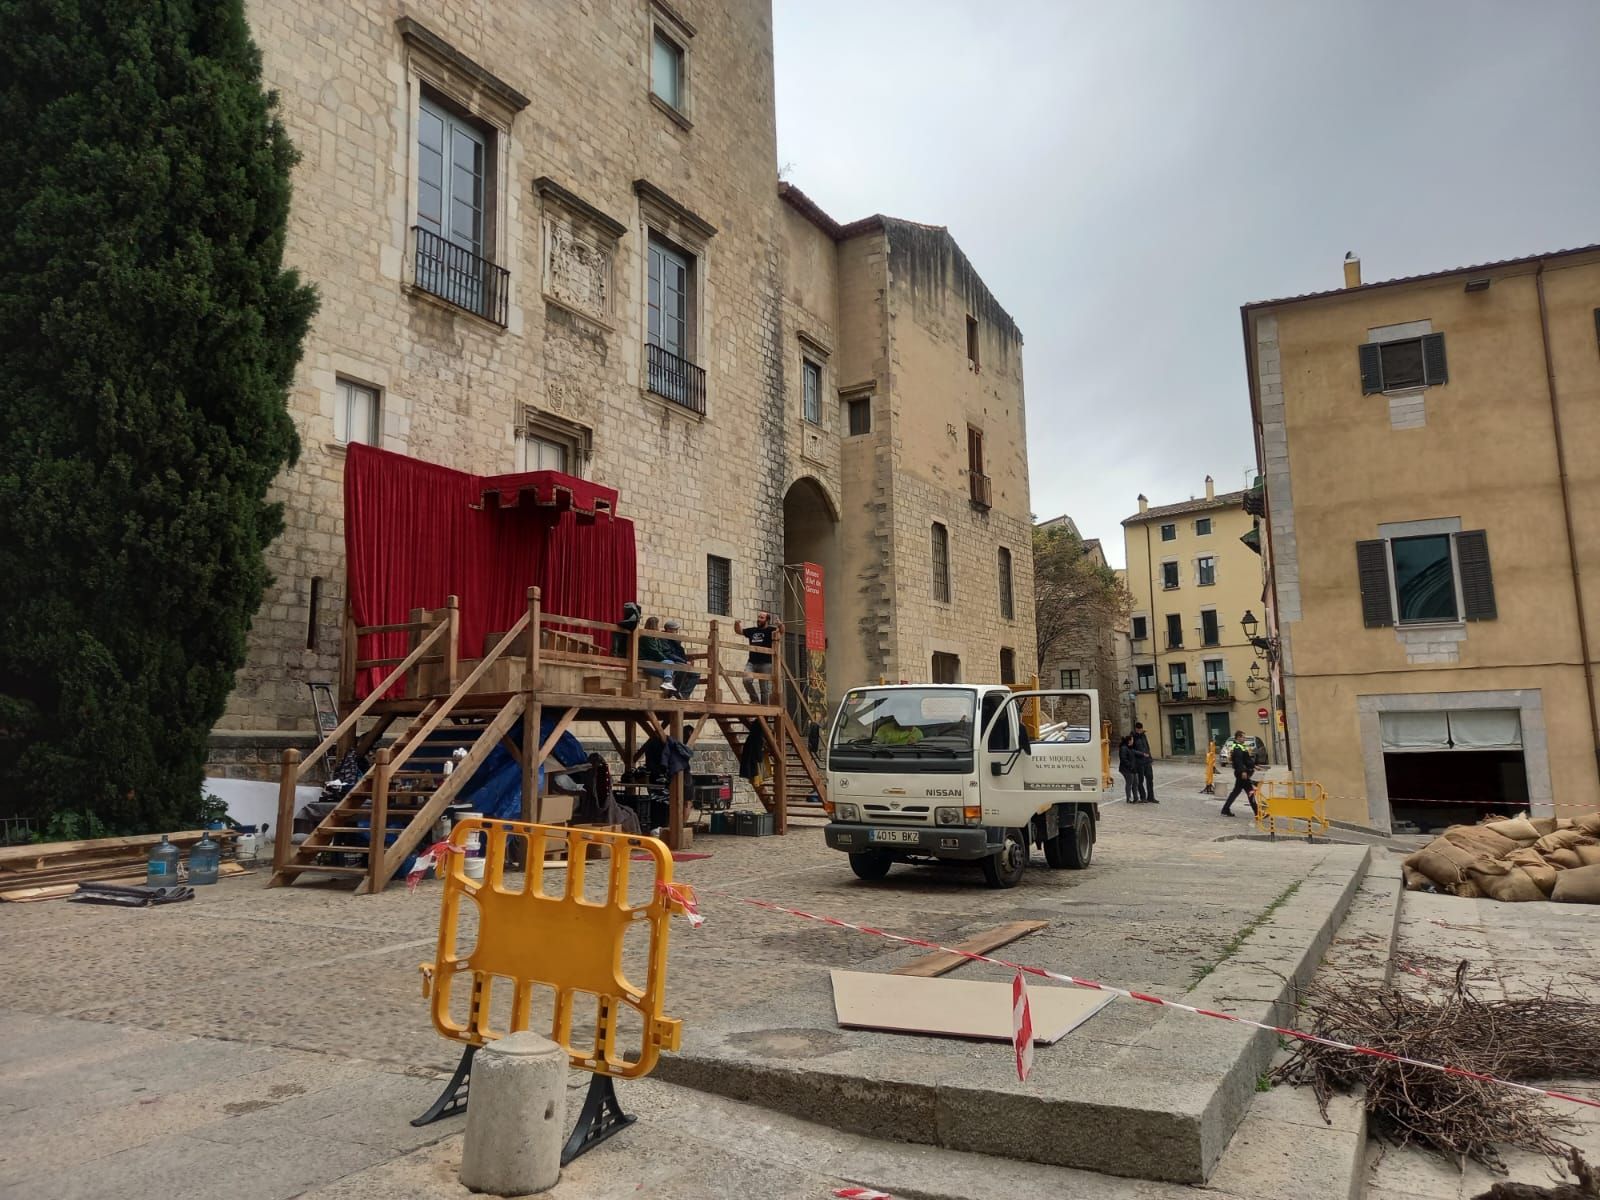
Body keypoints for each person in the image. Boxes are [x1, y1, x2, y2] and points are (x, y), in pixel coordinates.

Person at [733, 611, 776, 704]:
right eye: (758, 617)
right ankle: (755, 700)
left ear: (767, 620)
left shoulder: (771, 630)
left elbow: (781, 632)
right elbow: (739, 631)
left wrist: (780, 625)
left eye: (761, 618)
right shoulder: (752, 630)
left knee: (764, 688)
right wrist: (736, 624)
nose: (759, 619)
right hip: (752, 662)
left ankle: (765, 712)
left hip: (766, 663)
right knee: (746, 680)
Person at [1221, 730, 1259, 817]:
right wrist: (1243, 771)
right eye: (1243, 737)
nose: (1244, 739)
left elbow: (1246, 760)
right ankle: (1257, 812)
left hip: (1241, 773)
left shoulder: (1241, 746)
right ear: (1238, 737)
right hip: (1241, 773)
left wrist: (1254, 766)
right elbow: (1239, 762)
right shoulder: (1237, 748)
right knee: (1250, 791)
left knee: (1236, 792)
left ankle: (1225, 809)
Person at [661, 618, 700, 699]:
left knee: (695, 674)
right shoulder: (663, 639)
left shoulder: (675, 640)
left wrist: (685, 661)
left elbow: (679, 653)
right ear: (668, 630)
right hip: (669, 661)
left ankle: (683, 695)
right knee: (682, 668)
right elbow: (668, 653)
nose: (677, 632)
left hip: (678, 661)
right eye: (675, 630)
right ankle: (673, 693)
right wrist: (684, 662)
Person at [638, 617, 677, 696]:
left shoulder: (656, 638)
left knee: (671, 669)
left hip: (654, 662)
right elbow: (654, 652)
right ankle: (668, 685)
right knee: (670, 667)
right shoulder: (646, 637)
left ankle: (668, 685)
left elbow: (660, 651)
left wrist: (664, 660)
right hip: (646, 662)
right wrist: (664, 659)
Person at [1131, 721, 1157, 803]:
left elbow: (1147, 747)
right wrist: (1142, 754)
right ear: (1136, 729)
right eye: (1138, 729)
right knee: (1140, 781)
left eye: (1140, 729)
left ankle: (1151, 797)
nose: (1139, 731)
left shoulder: (1143, 736)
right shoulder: (1132, 737)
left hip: (1147, 762)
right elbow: (1131, 750)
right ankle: (1143, 797)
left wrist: (1150, 758)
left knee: (1150, 779)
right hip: (1139, 762)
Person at [1118, 734, 1143, 803]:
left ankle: (1136, 798)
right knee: (1129, 783)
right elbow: (1123, 759)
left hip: (1132, 769)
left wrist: (1143, 754)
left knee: (1135, 783)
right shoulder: (1123, 748)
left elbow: (1135, 752)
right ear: (1129, 740)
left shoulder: (1129, 747)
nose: (1133, 741)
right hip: (1126, 769)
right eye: (1132, 740)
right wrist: (1130, 766)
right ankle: (1128, 798)